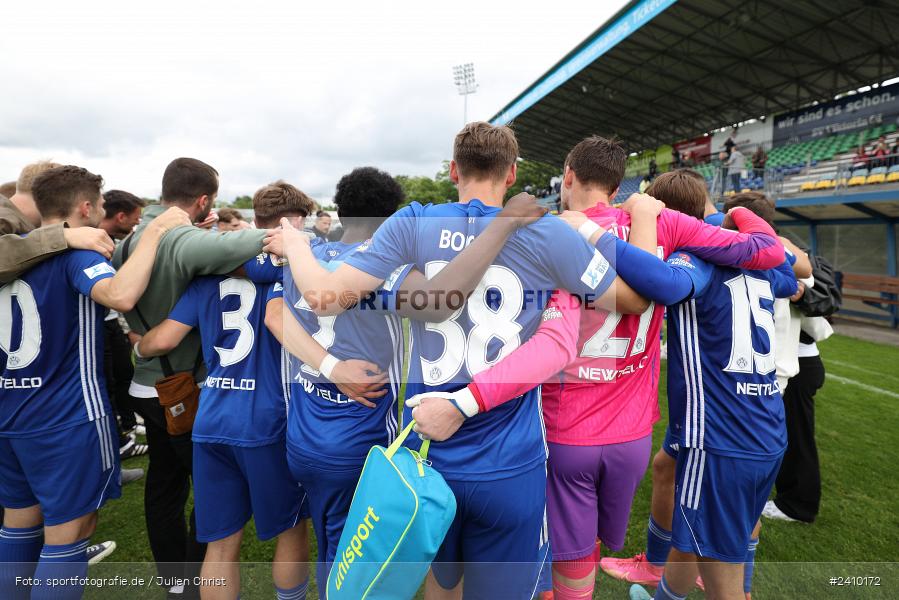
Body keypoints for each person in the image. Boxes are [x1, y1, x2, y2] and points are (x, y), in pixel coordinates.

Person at [266, 122, 652, 599]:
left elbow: (324, 296)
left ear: (453, 170)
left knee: (442, 583)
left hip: (432, 452)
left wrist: (301, 245)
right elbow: (631, 301)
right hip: (510, 456)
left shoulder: (412, 222)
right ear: (512, 174)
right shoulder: (548, 230)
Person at [410, 150, 786, 600]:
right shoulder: (667, 226)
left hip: (563, 427)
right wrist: (731, 212)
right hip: (631, 434)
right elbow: (771, 254)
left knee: (552, 560)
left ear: (567, 175)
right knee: (586, 549)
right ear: (619, 184)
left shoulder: (551, 231)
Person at [0, 165, 189, 600]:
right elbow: (120, 295)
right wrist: (158, 230)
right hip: (66, 418)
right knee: (70, 532)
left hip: (12, 411)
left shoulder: (12, 255)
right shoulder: (76, 254)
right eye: (102, 205)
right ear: (86, 208)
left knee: (19, 523)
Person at [132, 179, 314, 600]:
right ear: (291, 224)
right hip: (269, 419)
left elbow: (162, 340)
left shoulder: (209, 275)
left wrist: (137, 341)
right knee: (290, 529)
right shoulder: (297, 270)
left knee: (220, 542)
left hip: (212, 416)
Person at [112, 157, 274, 599]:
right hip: (178, 385)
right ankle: (195, 574)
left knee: (164, 485)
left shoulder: (132, 237)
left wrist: (137, 341)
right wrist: (284, 233)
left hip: (146, 381)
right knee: (210, 489)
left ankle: (175, 579)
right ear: (203, 200)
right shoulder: (177, 237)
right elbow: (225, 250)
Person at [764, 315, 832, 523]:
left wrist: (801, 293)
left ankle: (798, 505)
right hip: (792, 360)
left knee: (796, 437)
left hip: (798, 363)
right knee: (787, 435)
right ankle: (793, 499)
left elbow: (825, 301)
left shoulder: (811, 283)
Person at [99, 190, 148, 457]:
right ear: (120, 216)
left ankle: (124, 431)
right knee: (105, 385)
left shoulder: (104, 240)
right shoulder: (93, 241)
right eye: (134, 219)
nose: (135, 225)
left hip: (109, 321)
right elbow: (121, 297)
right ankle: (114, 445)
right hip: (101, 322)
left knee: (120, 378)